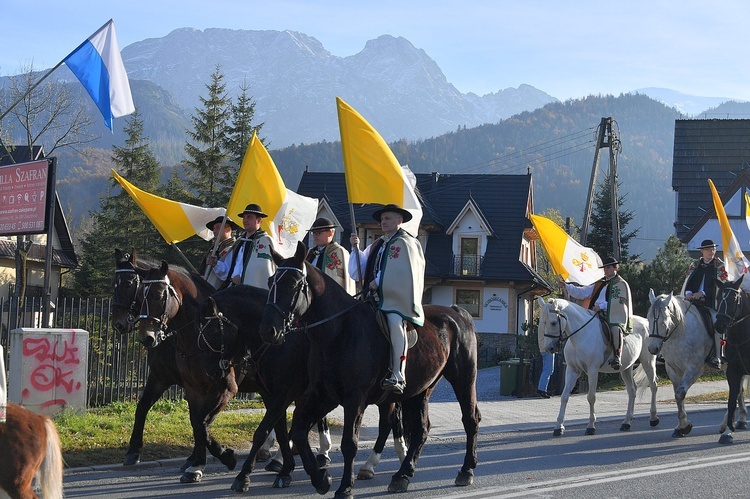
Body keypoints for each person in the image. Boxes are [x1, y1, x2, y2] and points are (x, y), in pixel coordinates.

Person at [349, 204, 425, 394]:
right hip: (373, 297)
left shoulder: (406, 242)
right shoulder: (379, 243)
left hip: (396, 298)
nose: (383, 222)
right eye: (382, 219)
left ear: (399, 221)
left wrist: (377, 281)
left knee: (393, 321)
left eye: (388, 218)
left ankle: (398, 375)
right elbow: (356, 271)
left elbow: (400, 270)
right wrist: (355, 249)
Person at [559, 256, 632, 370]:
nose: (605, 270)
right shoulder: (600, 283)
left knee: (615, 330)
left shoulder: (621, 284)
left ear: (615, 268)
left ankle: (617, 355)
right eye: (605, 268)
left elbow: (619, 302)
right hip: (594, 313)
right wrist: (567, 287)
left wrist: (601, 306)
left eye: (608, 268)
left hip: (612, 315)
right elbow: (583, 292)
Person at [682, 239, 729, 369]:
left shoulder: (720, 266)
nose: (711, 252)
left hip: (711, 303)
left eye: (713, 249)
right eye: (709, 249)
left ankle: (717, 355)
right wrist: (689, 293)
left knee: (716, 323)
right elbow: (688, 281)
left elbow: (722, 284)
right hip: (692, 302)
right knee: (676, 318)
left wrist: (702, 293)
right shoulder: (695, 265)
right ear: (702, 251)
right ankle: (667, 351)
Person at [206, 203, 276, 290]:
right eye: (244, 217)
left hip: (251, 291)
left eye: (249, 217)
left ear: (259, 220)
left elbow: (262, 269)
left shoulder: (264, 241)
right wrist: (216, 264)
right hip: (232, 287)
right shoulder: (239, 242)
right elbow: (228, 269)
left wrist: (244, 278)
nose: (245, 220)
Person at [305, 217, 356, 295]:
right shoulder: (311, 252)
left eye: (318, 233)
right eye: (313, 233)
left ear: (330, 233)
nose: (315, 236)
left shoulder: (339, 251)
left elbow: (345, 279)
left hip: (331, 297)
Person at [199, 215, 240, 289]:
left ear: (228, 230)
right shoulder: (214, 248)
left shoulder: (234, 248)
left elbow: (230, 272)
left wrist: (215, 264)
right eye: (214, 228)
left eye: (217, 228)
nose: (214, 231)